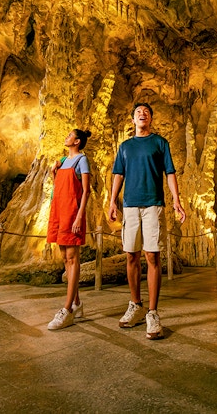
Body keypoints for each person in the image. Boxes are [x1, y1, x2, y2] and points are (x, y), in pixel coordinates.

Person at [108, 103, 186, 340]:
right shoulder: (125, 146)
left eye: (146, 112)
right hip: (130, 205)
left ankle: (152, 312)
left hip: (153, 204)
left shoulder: (160, 143)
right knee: (131, 254)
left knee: (152, 255)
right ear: (132, 119)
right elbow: (118, 175)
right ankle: (136, 305)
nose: (142, 114)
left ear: (150, 118)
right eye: (138, 112)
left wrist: (176, 200)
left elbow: (169, 172)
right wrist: (113, 201)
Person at [46, 128, 91, 330]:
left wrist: (80, 216)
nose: (66, 137)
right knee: (65, 258)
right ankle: (77, 303)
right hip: (58, 212)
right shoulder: (63, 161)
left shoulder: (82, 160)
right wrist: (53, 172)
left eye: (69, 136)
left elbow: (86, 191)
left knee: (73, 258)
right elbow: (58, 187)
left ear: (77, 141)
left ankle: (68, 310)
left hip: (72, 213)